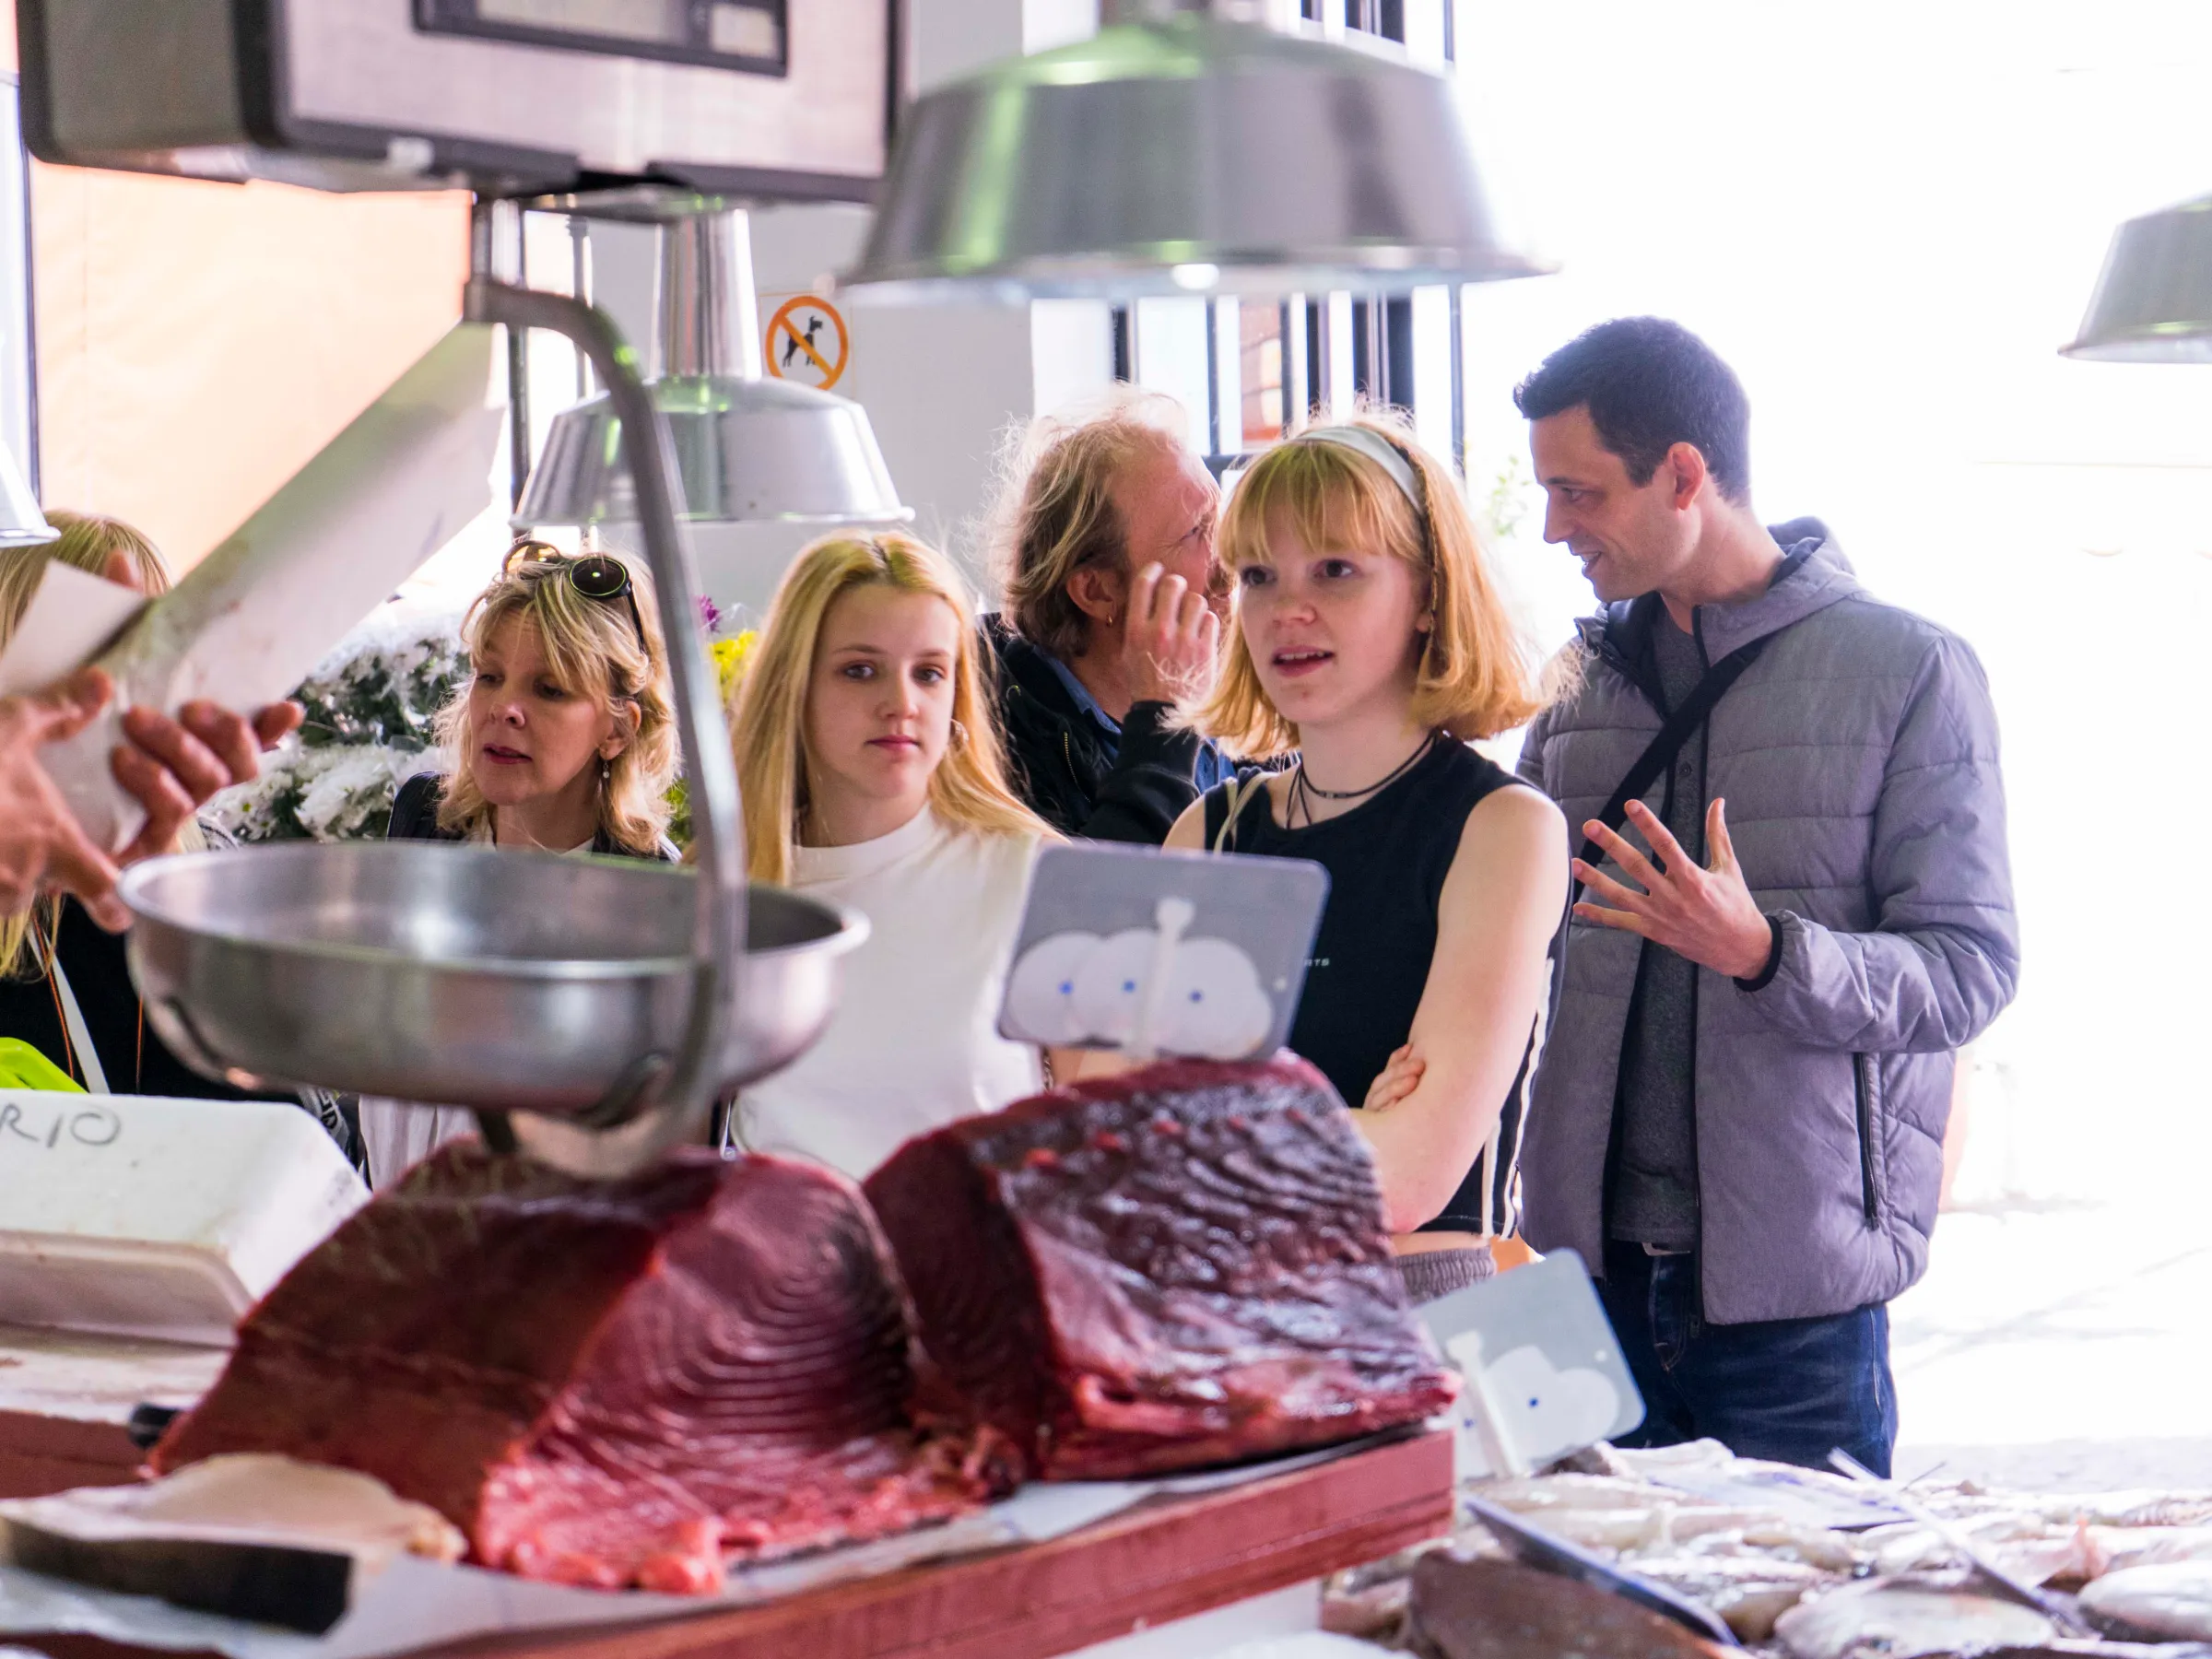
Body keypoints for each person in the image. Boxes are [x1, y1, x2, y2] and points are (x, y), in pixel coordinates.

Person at [1511, 317, 2018, 1475]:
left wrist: (1763, 953)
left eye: (1579, 493)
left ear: (1683, 474)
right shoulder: (1572, 694)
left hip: (1795, 1306)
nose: (1553, 528)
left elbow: (1971, 967)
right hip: (1582, 1292)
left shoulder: (1912, 670)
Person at [1164, 415, 1568, 1305]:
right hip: (1229, 1323)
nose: (1287, 610)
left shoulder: (1504, 829)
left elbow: (1409, 1179)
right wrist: (1351, 1126)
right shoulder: (1212, 833)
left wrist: (1220, 1124)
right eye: (1260, 576)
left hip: (1438, 1320)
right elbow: (1139, 1165)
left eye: (1335, 570)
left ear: (1429, 593)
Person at [727, 531, 1057, 1179]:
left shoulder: (1032, 873)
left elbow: (1101, 1144)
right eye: (860, 670)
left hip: (983, 1270)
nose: (902, 704)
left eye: (929, 672)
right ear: (794, 689)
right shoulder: (727, 897)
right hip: (787, 1270)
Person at [362, 540, 679, 1184]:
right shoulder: (423, 818)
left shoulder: (656, 898)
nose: (505, 708)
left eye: (549, 689)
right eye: (490, 675)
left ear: (617, 730)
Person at [0, 512, 307, 1097]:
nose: (128, 685)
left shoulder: (202, 879)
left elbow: (297, 1128)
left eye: (154, 646)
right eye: (101, 644)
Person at [982, 394, 1233, 842]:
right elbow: (1105, 903)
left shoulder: (1252, 682)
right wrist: (1166, 718)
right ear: (1097, 591)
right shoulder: (996, 740)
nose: (1232, 555)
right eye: (1199, 531)